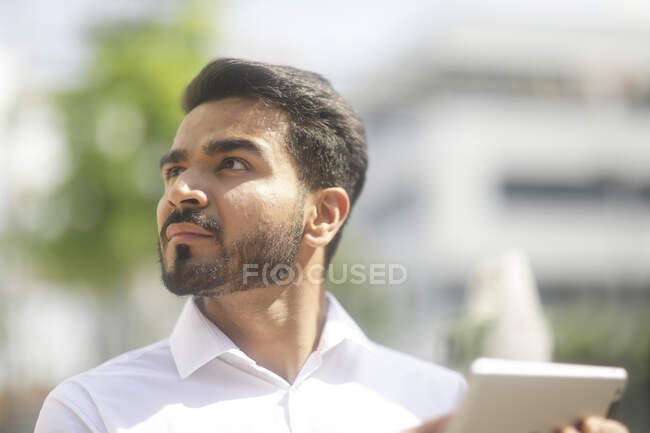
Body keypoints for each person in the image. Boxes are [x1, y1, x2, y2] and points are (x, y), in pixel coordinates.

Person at [34, 58, 629, 433]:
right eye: (174, 171)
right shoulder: (91, 412)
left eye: (231, 163)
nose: (182, 191)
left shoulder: (441, 402)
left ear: (323, 215)